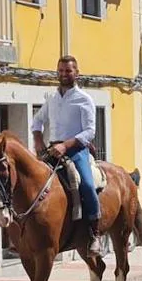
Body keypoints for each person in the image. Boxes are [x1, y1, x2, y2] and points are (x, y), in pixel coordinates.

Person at [30, 55, 101, 255]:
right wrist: (37, 140)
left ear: (77, 73)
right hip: (51, 150)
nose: (64, 74)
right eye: (61, 71)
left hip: (76, 149)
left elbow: (90, 131)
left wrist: (66, 145)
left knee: (86, 184)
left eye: (68, 71)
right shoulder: (51, 99)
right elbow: (37, 122)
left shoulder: (84, 99)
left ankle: (94, 234)